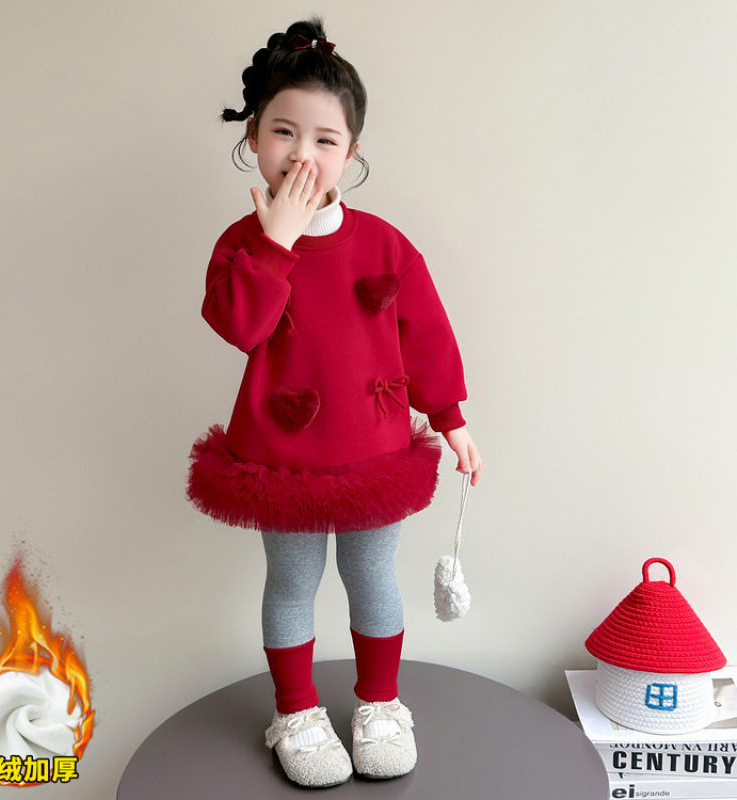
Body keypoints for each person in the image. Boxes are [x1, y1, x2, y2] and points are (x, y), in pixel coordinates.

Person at [188, 17, 482, 788]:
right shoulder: (239, 244)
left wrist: (451, 419)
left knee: (372, 576)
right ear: (254, 138)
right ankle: (295, 712)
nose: (303, 154)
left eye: (325, 139)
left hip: (373, 451)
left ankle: (380, 703)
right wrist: (276, 240)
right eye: (284, 132)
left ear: (350, 154)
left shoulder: (385, 244)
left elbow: (426, 335)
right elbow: (240, 326)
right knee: (292, 582)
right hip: (280, 459)